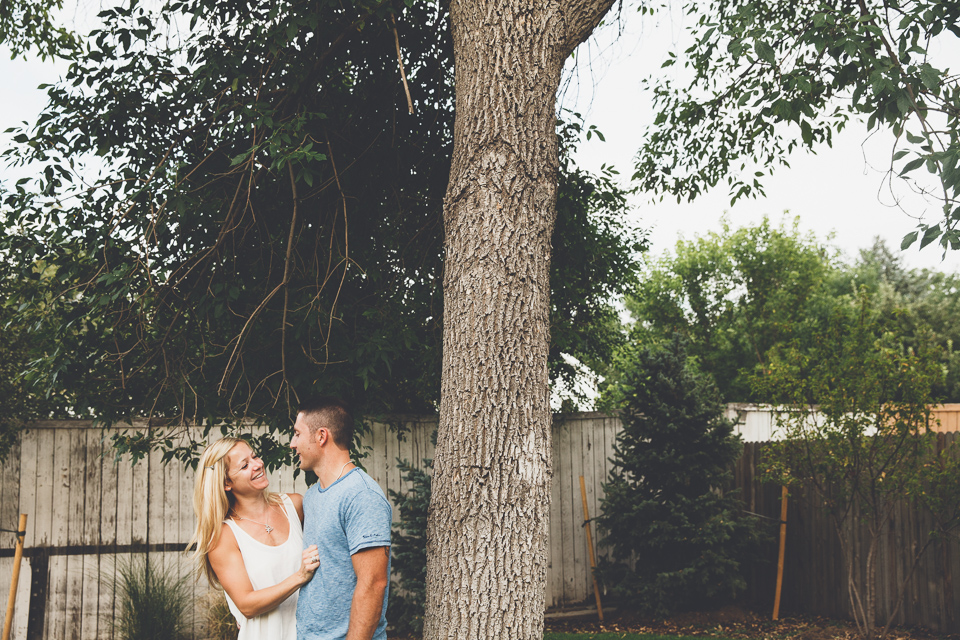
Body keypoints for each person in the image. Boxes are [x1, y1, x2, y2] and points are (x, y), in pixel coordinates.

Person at [190, 436, 321, 640]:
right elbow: (247, 605)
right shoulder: (223, 537)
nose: (258, 464)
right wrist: (300, 577)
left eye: (255, 456)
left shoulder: (295, 506)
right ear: (226, 483)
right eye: (245, 465)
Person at [291, 398, 392, 640]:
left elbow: (374, 584)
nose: (293, 444)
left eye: (297, 434)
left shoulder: (361, 495)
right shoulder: (313, 495)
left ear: (321, 436)